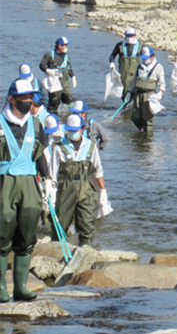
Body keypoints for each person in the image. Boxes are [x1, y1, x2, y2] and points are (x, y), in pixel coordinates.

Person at [1, 79, 56, 302]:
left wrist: (48, 180)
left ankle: (21, 287)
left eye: (30, 98)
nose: (28, 101)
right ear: (12, 99)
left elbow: (40, 153)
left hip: (29, 183)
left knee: (27, 230)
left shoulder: (36, 124)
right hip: (4, 182)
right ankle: (1, 288)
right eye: (23, 98)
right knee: (2, 229)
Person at [50, 114, 106, 247]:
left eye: (76, 130)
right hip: (65, 189)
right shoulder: (59, 147)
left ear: (82, 129)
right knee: (60, 223)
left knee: (86, 224)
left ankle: (85, 251)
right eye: (70, 130)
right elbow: (53, 173)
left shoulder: (91, 146)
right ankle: (57, 251)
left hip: (87, 188)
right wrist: (51, 194)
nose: (73, 133)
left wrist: (102, 191)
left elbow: (98, 170)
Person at [128, 46, 165, 133]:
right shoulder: (139, 67)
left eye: (146, 58)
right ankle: (141, 131)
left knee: (148, 120)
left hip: (149, 96)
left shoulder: (158, 67)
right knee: (134, 117)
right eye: (143, 58)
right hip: (137, 94)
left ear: (152, 56)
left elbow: (161, 83)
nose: (144, 60)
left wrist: (160, 92)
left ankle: (148, 140)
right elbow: (134, 81)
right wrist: (129, 92)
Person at [39, 36, 76, 113]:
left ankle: (69, 118)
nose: (67, 47)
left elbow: (69, 68)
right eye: (65, 45)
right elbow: (41, 65)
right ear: (59, 46)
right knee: (54, 103)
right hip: (54, 84)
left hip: (65, 84)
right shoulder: (49, 55)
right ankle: (52, 118)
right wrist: (48, 70)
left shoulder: (66, 56)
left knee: (70, 102)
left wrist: (73, 77)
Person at [109, 27, 141, 98]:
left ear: (134, 36)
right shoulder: (120, 45)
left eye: (131, 36)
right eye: (127, 36)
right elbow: (112, 55)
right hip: (123, 73)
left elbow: (146, 58)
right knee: (124, 91)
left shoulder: (140, 46)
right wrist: (112, 62)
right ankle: (125, 103)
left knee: (135, 91)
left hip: (136, 73)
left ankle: (133, 104)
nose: (129, 37)